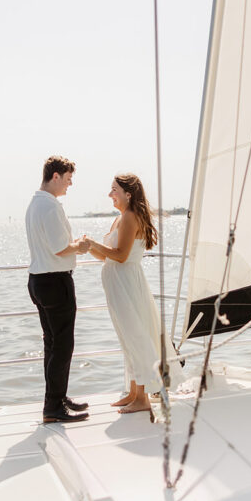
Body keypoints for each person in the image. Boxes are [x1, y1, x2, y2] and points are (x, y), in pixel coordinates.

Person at [85, 173, 181, 414]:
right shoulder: (119, 219)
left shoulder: (130, 218)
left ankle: (143, 398)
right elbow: (107, 256)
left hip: (127, 283)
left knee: (136, 336)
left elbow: (120, 255)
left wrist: (95, 244)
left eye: (114, 190)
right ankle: (132, 391)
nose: (110, 194)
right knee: (127, 337)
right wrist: (88, 247)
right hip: (117, 283)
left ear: (128, 194)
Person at [24, 155, 91, 423]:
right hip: (54, 281)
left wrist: (71, 244)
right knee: (62, 346)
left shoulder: (34, 204)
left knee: (53, 345)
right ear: (55, 176)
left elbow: (53, 244)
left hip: (39, 279)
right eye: (68, 179)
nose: (69, 185)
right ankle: (53, 406)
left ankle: (56, 398)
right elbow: (60, 248)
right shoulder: (50, 207)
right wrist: (81, 246)